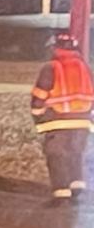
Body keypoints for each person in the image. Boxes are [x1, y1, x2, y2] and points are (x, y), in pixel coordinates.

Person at [31, 31, 93, 205]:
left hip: (57, 120)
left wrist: (37, 117)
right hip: (83, 120)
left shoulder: (51, 67)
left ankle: (61, 192)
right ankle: (77, 184)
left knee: (56, 155)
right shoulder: (84, 67)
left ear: (55, 48)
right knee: (76, 152)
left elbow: (39, 95)